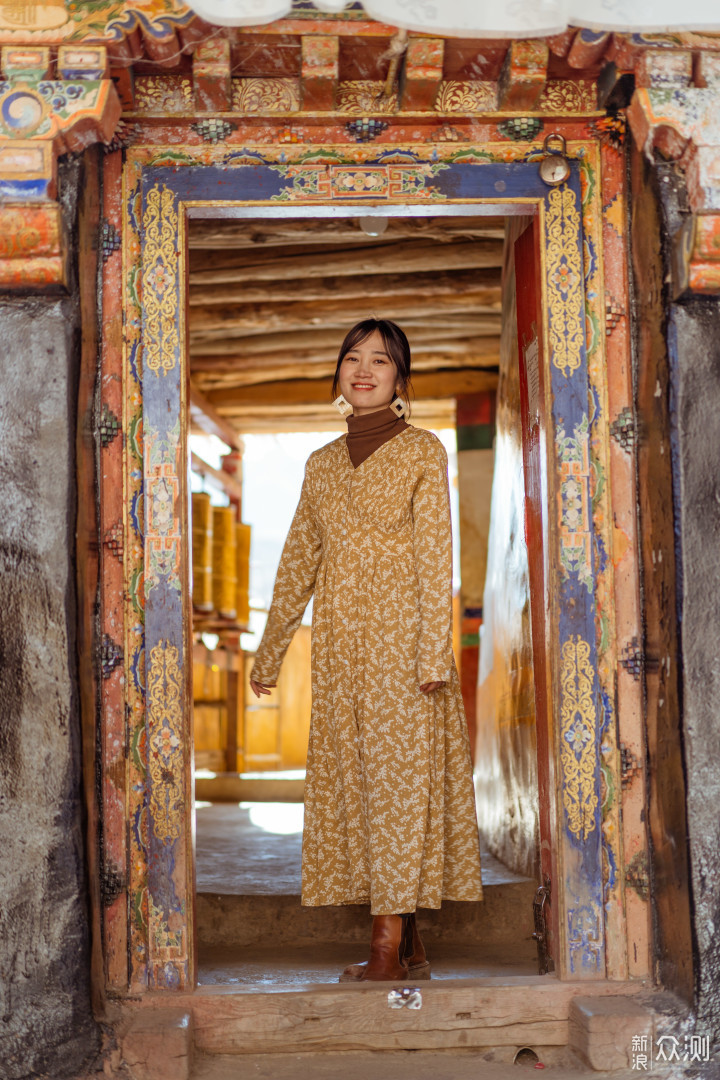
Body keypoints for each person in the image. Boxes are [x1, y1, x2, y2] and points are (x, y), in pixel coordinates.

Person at [249, 318, 483, 981]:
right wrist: (269, 656)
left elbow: (437, 557)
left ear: (400, 378)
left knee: (401, 791)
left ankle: (385, 948)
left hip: (406, 652)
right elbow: (298, 560)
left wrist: (434, 655)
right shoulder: (320, 465)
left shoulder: (422, 452)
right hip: (339, 652)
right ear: (339, 374)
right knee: (357, 789)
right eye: (353, 358)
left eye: (380, 361)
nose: (364, 370)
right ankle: (407, 945)